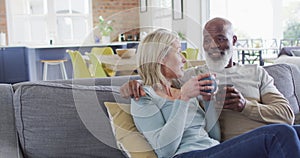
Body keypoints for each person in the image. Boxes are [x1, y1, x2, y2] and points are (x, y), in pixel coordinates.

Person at [131, 28, 300, 158]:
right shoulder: (143, 98)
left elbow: (214, 136)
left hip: (213, 149)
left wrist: (208, 101)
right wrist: (184, 98)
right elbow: (164, 151)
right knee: (280, 133)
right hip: (187, 155)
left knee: (295, 130)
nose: (184, 59)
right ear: (161, 58)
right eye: (178, 51)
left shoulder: (180, 88)